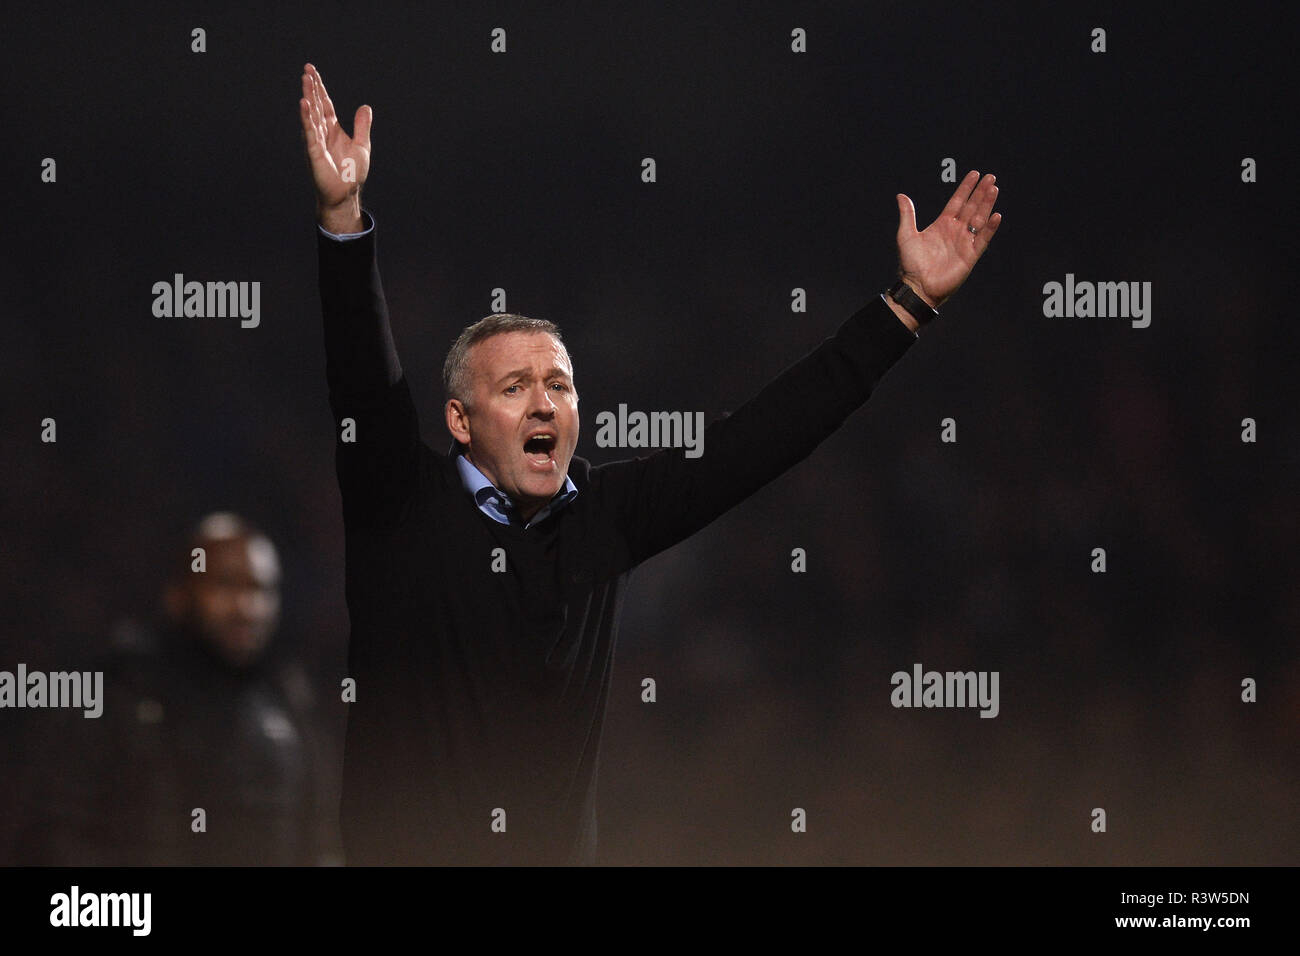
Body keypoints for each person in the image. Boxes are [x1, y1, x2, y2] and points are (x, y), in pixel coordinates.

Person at [299, 61, 1001, 865]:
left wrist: (907, 306)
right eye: (516, 386)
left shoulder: (604, 515)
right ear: (458, 419)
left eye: (559, 385)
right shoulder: (399, 505)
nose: (543, 404)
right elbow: (363, 379)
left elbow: (759, 439)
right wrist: (342, 215)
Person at [23, 512, 339, 865]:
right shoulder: (120, 697)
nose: (247, 608)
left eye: (261, 589)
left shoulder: (286, 704)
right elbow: (53, 840)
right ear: (179, 595)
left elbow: (319, 841)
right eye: (225, 585)